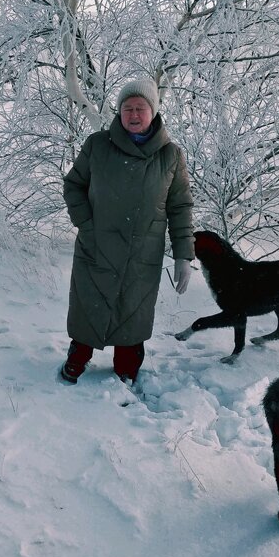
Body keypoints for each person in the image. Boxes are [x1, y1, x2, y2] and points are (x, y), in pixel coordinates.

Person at [60, 77, 194, 385]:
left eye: (141, 108)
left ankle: (126, 371)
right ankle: (77, 360)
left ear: (154, 112)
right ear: (119, 113)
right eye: (127, 108)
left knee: (132, 314)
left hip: (142, 255)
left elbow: (180, 208)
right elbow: (74, 185)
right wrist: (88, 227)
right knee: (88, 309)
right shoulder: (97, 145)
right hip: (97, 247)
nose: (133, 115)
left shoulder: (170, 155)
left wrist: (183, 255)